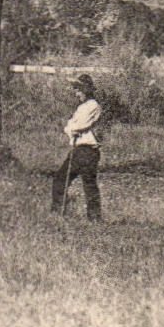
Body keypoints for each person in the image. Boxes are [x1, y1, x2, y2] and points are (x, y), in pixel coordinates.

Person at [50, 74, 103, 221]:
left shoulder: (93, 105)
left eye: (79, 90)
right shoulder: (81, 107)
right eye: (76, 89)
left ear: (86, 90)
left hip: (88, 151)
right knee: (60, 178)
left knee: (89, 183)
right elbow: (68, 127)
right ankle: (58, 212)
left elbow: (79, 126)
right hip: (77, 150)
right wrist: (71, 128)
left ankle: (94, 218)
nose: (76, 93)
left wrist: (72, 128)